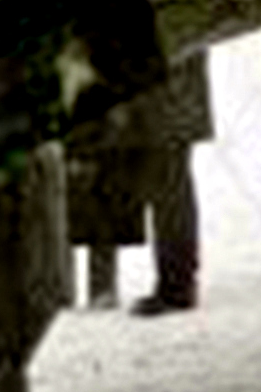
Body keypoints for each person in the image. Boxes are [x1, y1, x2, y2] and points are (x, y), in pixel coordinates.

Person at [71, 51, 213, 315]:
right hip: (164, 103)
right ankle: (174, 283)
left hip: (164, 105)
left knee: (169, 192)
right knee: (166, 191)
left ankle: (177, 286)